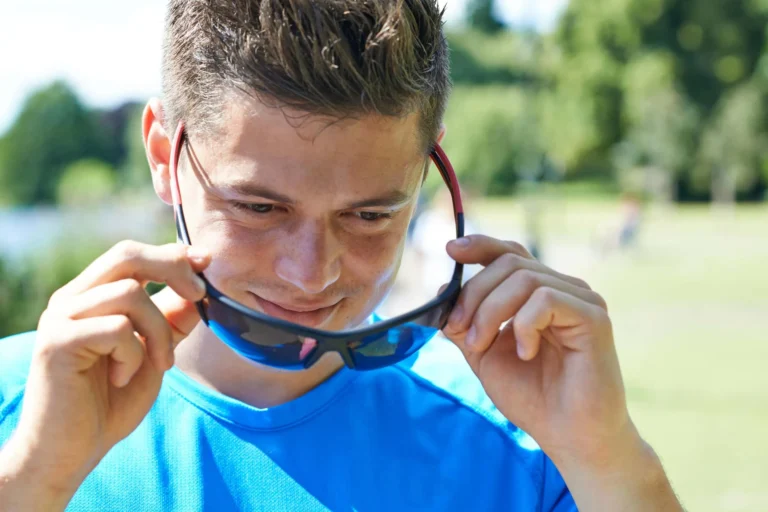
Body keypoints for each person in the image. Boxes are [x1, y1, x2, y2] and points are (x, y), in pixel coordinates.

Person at [0, 1, 684, 510]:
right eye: (258, 208)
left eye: (370, 214)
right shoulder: (20, 408)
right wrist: (35, 478)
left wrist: (609, 459)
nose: (311, 273)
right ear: (162, 158)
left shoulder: (527, 443)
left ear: (428, 172)